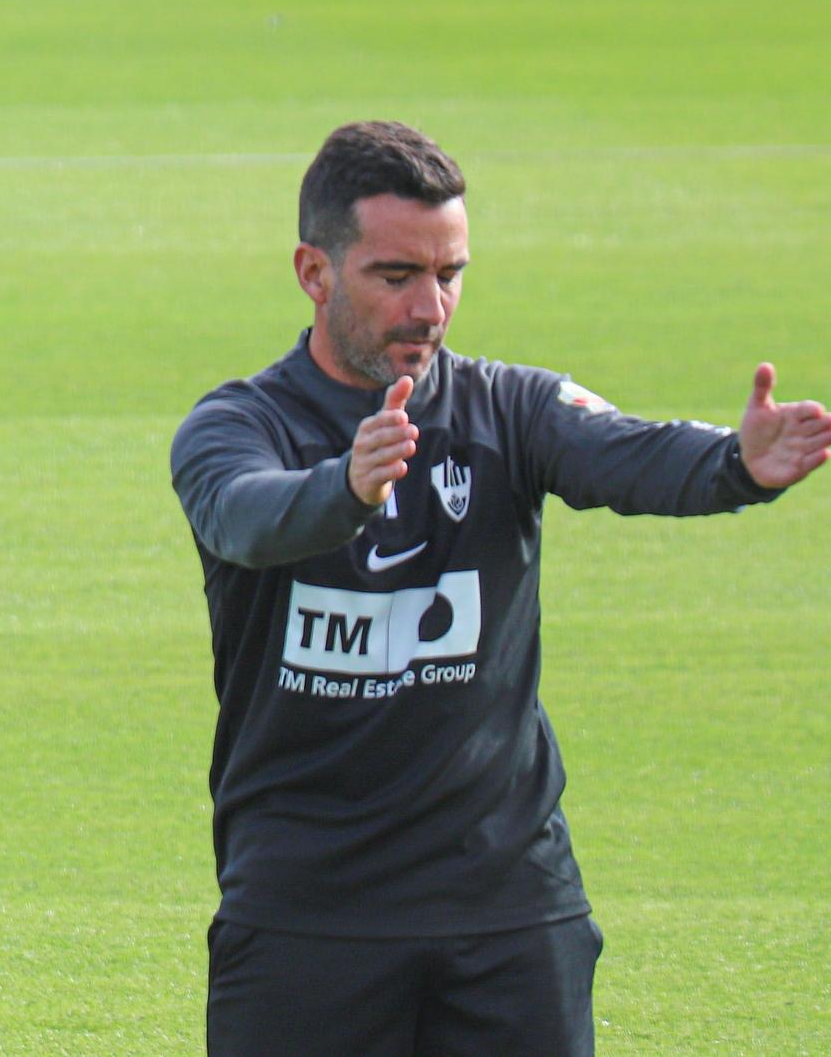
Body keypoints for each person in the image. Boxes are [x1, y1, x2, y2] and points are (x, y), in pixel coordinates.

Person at [168, 120, 831, 1055]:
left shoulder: (505, 409)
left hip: (509, 909)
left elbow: (622, 451)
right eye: (395, 276)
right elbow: (247, 517)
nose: (430, 307)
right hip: (308, 909)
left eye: (451, 274)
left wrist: (735, 463)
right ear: (314, 272)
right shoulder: (237, 425)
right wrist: (347, 487)